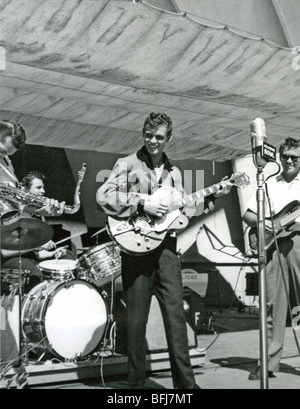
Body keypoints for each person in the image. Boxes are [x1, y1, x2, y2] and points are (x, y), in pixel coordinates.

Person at [96, 112, 232, 389]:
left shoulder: (175, 172)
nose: (153, 141)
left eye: (159, 137)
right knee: (136, 321)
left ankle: (187, 386)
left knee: (176, 318)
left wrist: (213, 196)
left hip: (167, 250)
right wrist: (142, 204)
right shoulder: (127, 164)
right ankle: (135, 384)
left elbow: (180, 215)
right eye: (149, 135)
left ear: (169, 138)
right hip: (136, 250)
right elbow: (104, 196)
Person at [243, 136, 300, 380]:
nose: (289, 160)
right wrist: (263, 222)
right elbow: (247, 214)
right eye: (285, 156)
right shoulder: (267, 183)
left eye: (294, 157)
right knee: (270, 306)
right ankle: (268, 363)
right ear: (279, 157)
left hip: (298, 241)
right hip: (273, 244)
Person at [0, 120, 66, 293]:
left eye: (7, 154)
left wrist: (38, 210)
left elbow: (15, 204)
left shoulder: (6, 163)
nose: (3, 157)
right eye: (1, 151)